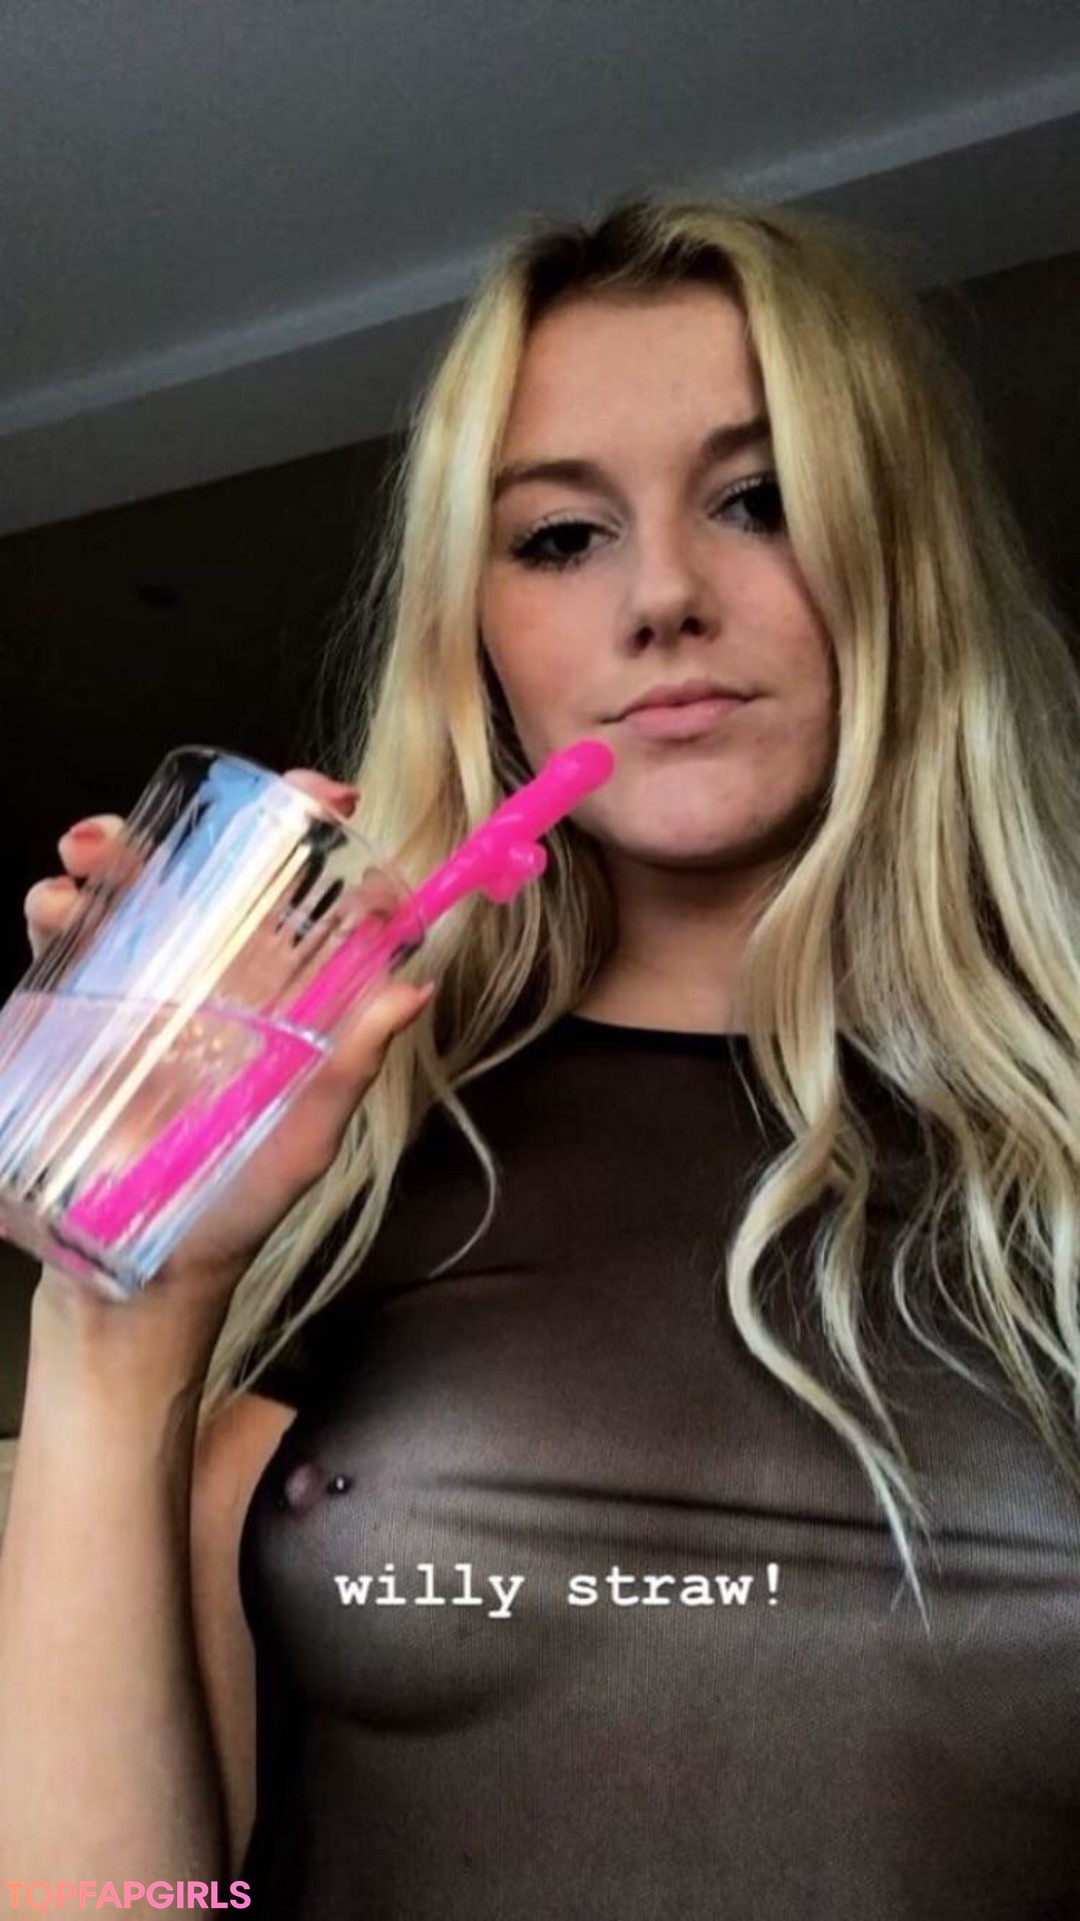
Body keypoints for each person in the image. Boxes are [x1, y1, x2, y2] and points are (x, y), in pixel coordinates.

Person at [3, 193, 1080, 1918]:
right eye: (562, 536)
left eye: (760, 498)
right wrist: (115, 1296)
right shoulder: (344, 1164)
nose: (664, 598)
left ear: (902, 549)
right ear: (480, 630)